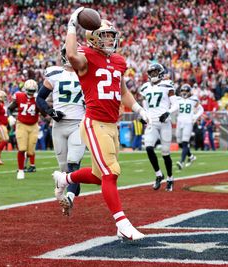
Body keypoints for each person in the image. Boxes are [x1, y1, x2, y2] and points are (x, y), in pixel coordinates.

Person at [52, 8, 149, 240]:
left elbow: (122, 90)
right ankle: (122, 224)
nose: (109, 39)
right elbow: (72, 55)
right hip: (94, 123)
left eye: (110, 36)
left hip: (112, 124)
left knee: (99, 175)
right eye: (104, 35)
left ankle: (64, 178)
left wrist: (138, 108)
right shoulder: (85, 57)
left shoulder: (117, 61)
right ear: (93, 37)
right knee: (111, 172)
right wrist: (72, 26)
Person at [36, 46, 86, 216]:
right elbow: (40, 98)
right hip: (58, 126)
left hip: (78, 124)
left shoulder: (86, 74)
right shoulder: (55, 74)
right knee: (65, 168)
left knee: (74, 162)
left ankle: (70, 198)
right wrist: (50, 112)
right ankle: (73, 187)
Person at [139, 63, 177, 192]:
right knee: (149, 147)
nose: (153, 75)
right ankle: (159, 175)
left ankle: (170, 178)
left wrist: (168, 113)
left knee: (165, 153)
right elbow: (145, 107)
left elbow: (175, 104)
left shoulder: (167, 85)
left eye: (155, 72)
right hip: (152, 122)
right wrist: (144, 116)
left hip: (165, 122)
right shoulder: (145, 88)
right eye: (151, 73)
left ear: (160, 73)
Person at [8, 79, 42, 180]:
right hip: (21, 124)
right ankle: (21, 170)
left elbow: (44, 112)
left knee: (31, 152)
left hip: (34, 125)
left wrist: (43, 106)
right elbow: (10, 108)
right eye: (29, 90)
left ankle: (29, 165)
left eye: (33, 91)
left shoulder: (37, 99)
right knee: (22, 148)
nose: (31, 93)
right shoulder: (19, 96)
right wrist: (10, 116)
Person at [175, 84, 204, 170]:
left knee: (184, 143)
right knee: (179, 143)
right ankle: (191, 156)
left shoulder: (194, 99)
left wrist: (196, 116)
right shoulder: (178, 99)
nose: (184, 93)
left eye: (186, 91)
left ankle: (181, 162)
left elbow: (201, 109)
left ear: (189, 92)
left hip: (188, 122)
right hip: (179, 122)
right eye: (182, 91)